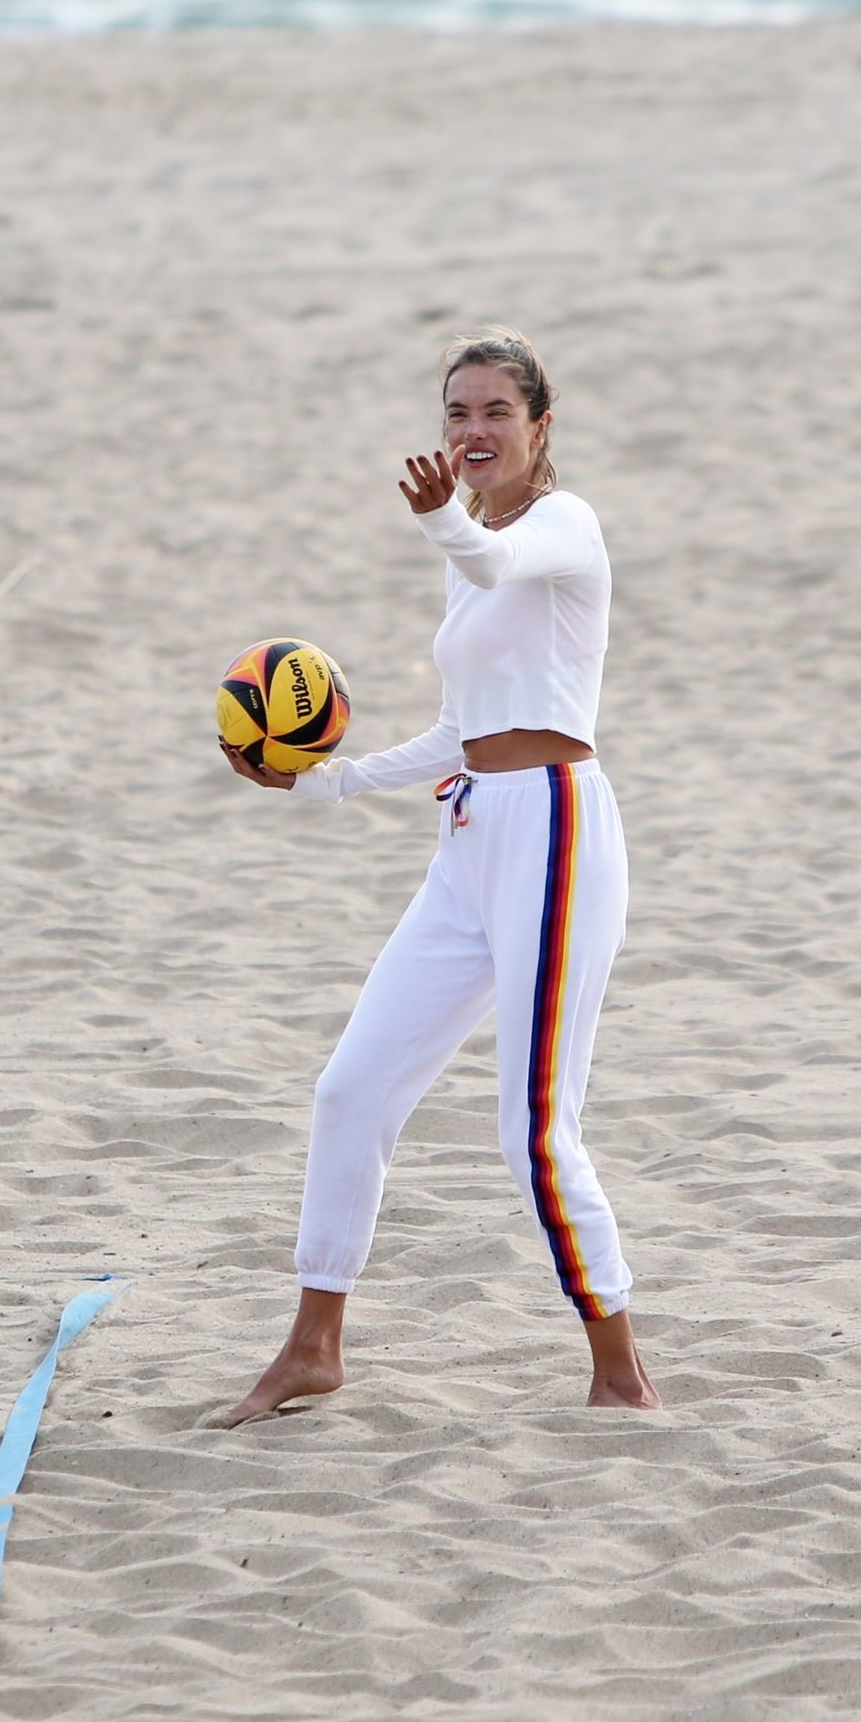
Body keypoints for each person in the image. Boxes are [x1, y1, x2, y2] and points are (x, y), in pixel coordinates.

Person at [218, 325, 660, 1425]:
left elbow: (493, 561)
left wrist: (437, 519)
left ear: (540, 426)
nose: (473, 430)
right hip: (468, 837)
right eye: (457, 413)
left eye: (496, 412)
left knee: (533, 1129)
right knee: (351, 1090)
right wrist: (326, 782)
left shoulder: (560, 526)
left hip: (555, 832)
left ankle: (621, 1376)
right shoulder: (469, 547)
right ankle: (313, 1348)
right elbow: (462, 730)